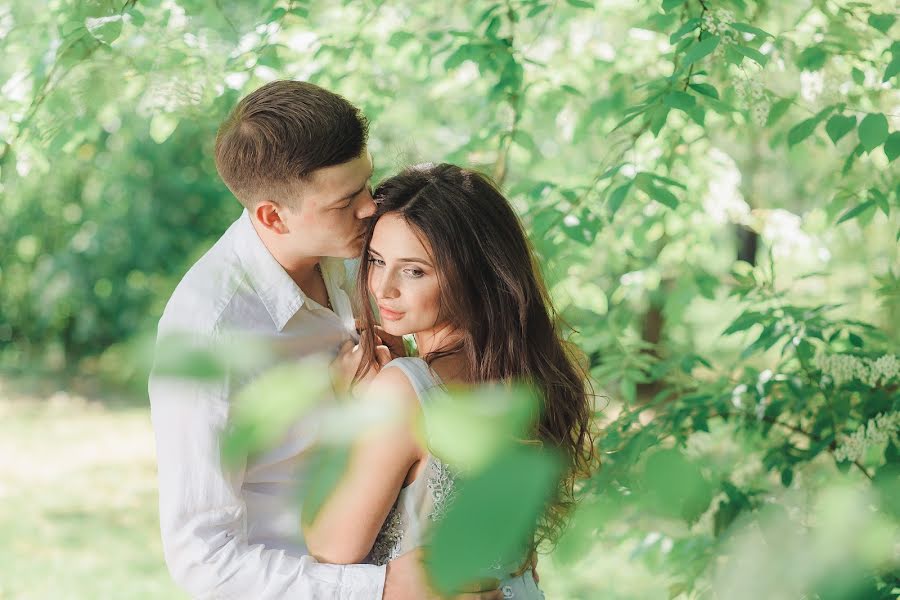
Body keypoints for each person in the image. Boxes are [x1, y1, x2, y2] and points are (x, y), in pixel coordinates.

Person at [148, 81, 502, 599]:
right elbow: (203, 559)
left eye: (367, 183)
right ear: (273, 215)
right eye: (345, 201)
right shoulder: (211, 331)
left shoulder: (355, 259)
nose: (370, 208)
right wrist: (378, 589)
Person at [301, 163, 597, 598]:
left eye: (414, 271)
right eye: (378, 261)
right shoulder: (527, 374)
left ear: (472, 273)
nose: (383, 288)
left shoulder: (404, 391)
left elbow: (330, 548)